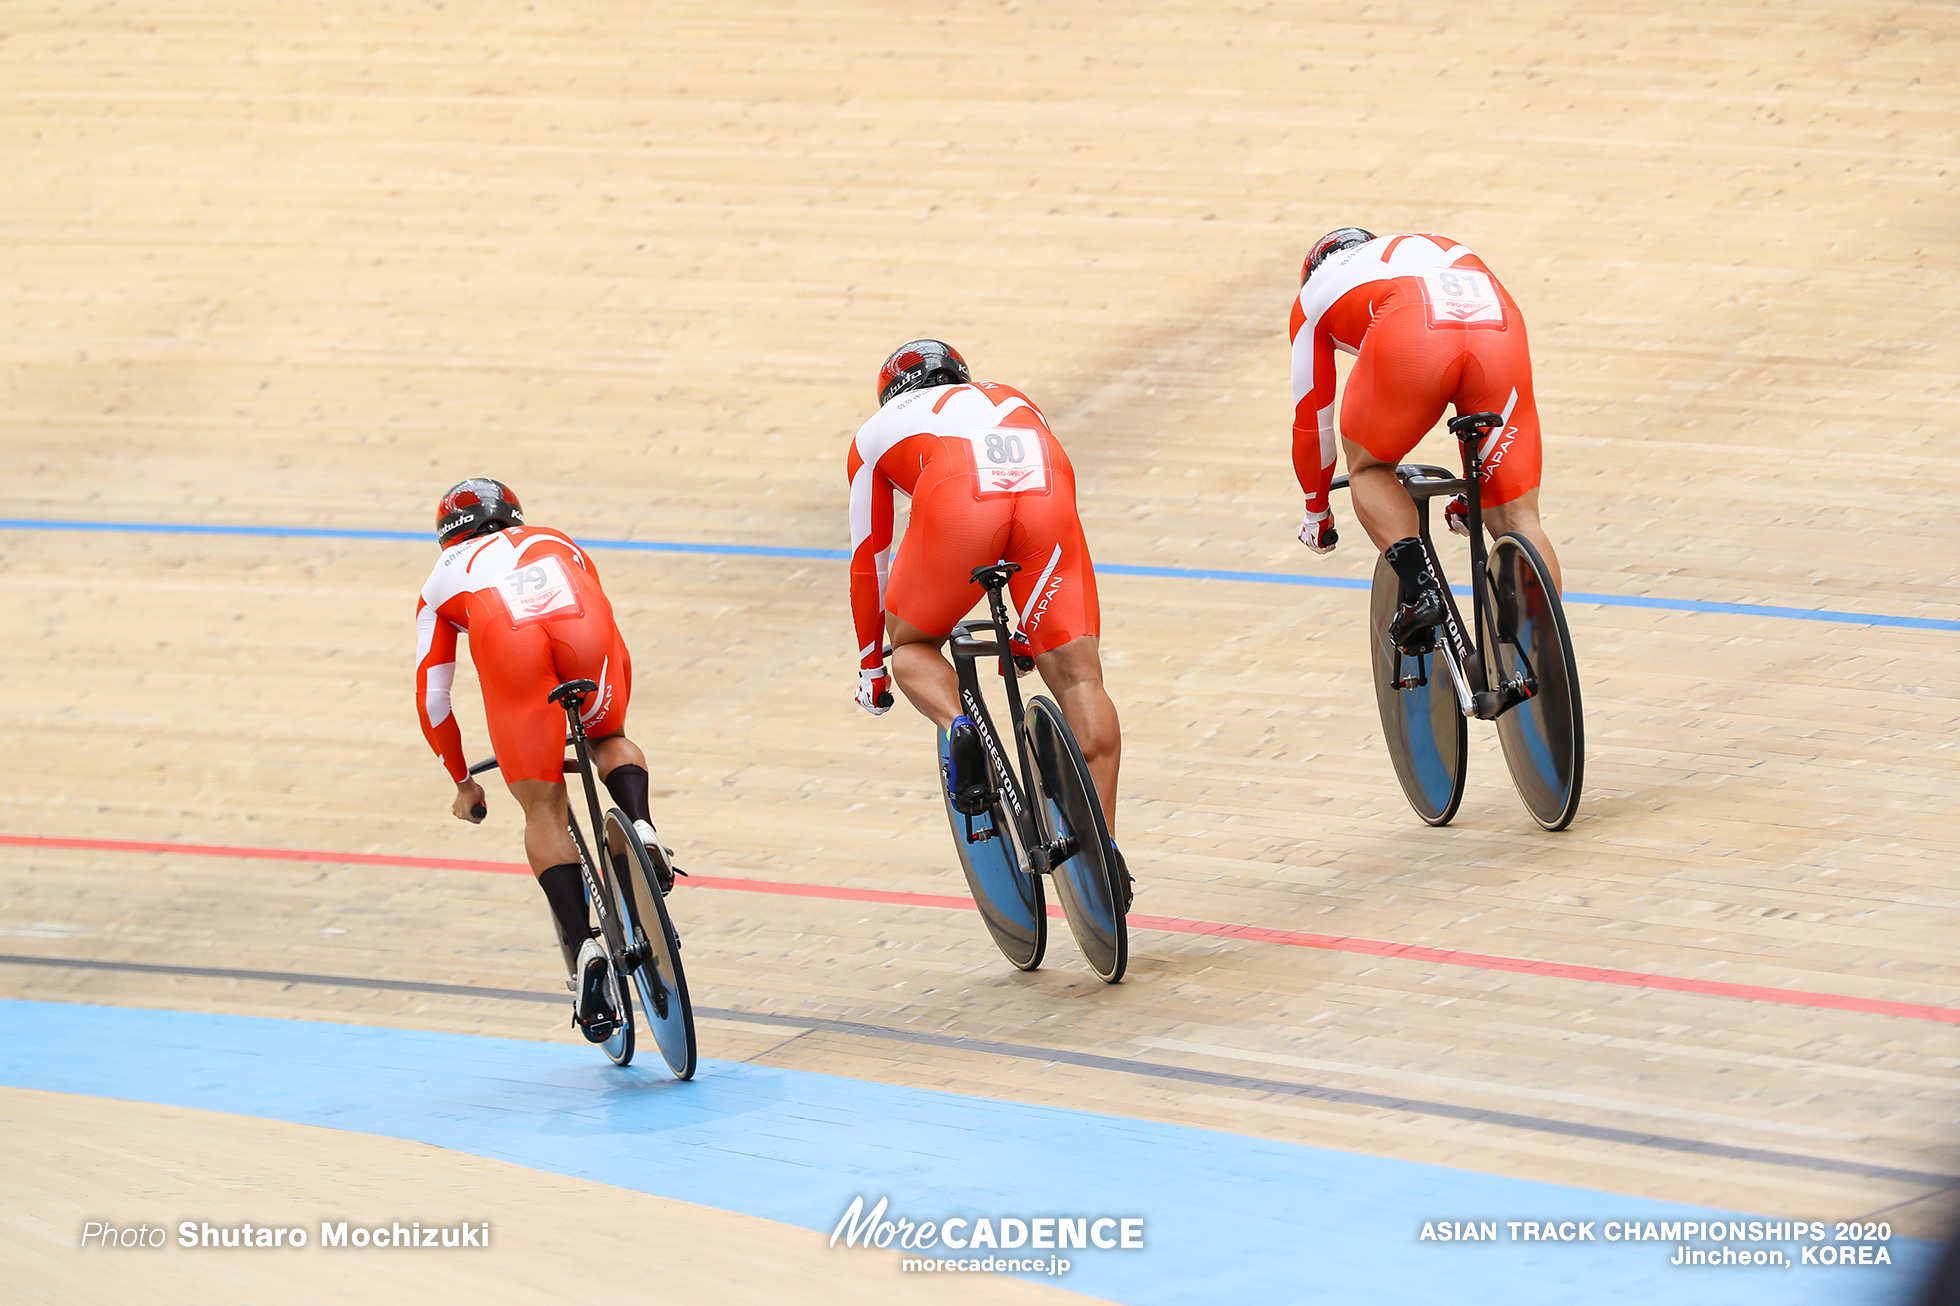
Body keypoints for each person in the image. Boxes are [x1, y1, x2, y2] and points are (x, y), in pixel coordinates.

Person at [846, 340, 1128, 893]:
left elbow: (868, 560)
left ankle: (959, 726)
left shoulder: (875, 432)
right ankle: (1106, 854)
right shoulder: (1011, 394)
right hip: (1046, 487)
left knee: (910, 647)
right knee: (1081, 679)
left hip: (959, 495)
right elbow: (1022, 511)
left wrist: (871, 667)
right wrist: (1026, 626)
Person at [413, 478, 657, 1041]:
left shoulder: (441, 578)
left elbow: (433, 695)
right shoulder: (557, 537)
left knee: (542, 807)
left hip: (510, 645)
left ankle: (587, 945)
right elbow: (608, 623)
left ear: (448, 536)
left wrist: (462, 780)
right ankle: (640, 824)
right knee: (610, 735)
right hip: (586, 634)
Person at [1288, 228, 1563, 651]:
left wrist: (1316, 513)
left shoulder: (1313, 295)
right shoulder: (1417, 245)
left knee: (1371, 468)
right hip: (1498, 327)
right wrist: (1480, 493)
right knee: (1519, 518)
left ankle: (1422, 592)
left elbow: (1311, 421)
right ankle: (1548, 660)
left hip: (1414, 331)